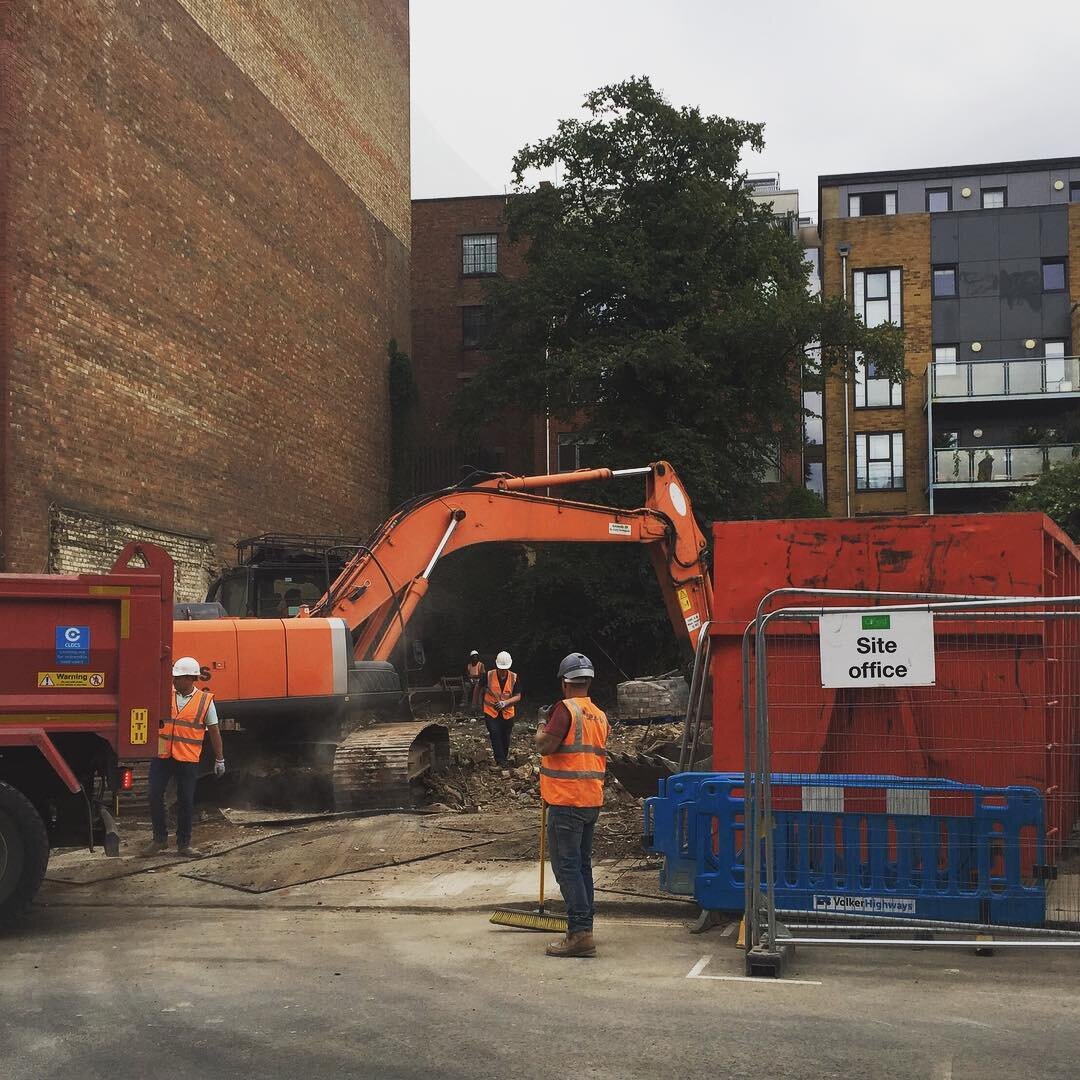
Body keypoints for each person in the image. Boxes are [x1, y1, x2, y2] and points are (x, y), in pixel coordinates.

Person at [535, 652, 609, 959]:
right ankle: (584, 927)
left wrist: (542, 722)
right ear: (588, 681)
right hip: (590, 799)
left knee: (567, 868)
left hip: (566, 802)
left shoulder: (564, 710)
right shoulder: (599, 715)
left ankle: (579, 933)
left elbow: (544, 745)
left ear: (565, 684)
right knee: (580, 866)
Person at [142, 656, 226, 858]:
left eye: (178, 678)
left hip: (187, 759)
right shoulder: (165, 695)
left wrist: (220, 759)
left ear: (190, 678)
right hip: (162, 755)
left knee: (186, 801)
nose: (174, 681)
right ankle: (159, 840)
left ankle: (184, 844)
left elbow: (214, 731)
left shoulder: (204, 701)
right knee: (154, 795)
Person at [483, 650, 521, 777]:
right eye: (501, 669)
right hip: (491, 711)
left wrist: (506, 703)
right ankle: (500, 761)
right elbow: (479, 687)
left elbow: (518, 696)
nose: (503, 671)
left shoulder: (514, 677)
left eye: (505, 669)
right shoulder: (489, 675)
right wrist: (474, 703)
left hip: (507, 712)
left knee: (505, 736)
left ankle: (503, 758)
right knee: (495, 734)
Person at [465, 650, 486, 717]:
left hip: (479, 682)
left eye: (476, 657)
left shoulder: (481, 665)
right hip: (471, 681)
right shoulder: (469, 665)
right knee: (466, 686)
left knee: (478, 690)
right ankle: (464, 702)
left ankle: (478, 710)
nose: (475, 658)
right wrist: (470, 679)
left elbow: (482, 675)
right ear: (471, 658)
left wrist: (473, 677)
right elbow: (467, 675)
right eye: (473, 657)